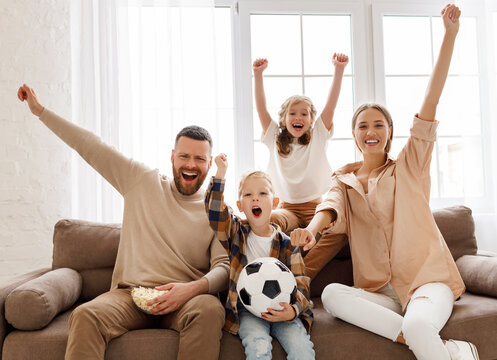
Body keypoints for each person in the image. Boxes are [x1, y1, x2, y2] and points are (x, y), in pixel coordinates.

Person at [290, 4, 479, 360]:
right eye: (363, 125)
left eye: (379, 124)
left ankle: (425, 338)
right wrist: (311, 232)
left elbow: (430, 102)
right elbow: (327, 209)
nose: (371, 130)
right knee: (331, 294)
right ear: (354, 135)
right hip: (379, 293)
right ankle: (450, 351)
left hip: (426, 284)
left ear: (390, 132)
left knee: (421, 325)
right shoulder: (343, 180)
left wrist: (450, 36)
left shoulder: (409, 166)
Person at [17, 84, 230, 360]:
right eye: (184, 156)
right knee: (86, 315)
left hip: (186, 299)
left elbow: (223, 267)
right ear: (172, 157)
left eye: (199, 158)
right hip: (130, 296)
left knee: (210, 309)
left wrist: (190, 290)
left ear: (210, 163)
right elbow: (91, 146)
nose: (191, 164)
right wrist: (40, 112)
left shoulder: (216, 210)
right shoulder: (141, 181)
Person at [205, 153, 314, 360]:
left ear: (275, 202)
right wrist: (220, 173)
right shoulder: (236, 234)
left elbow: (302, 283)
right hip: (248, 311)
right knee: (258, 348)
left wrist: (293, 310)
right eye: (248, 195)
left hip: (284, 310)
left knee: (302, 350)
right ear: (239, 206)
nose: (255, 198)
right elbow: (215, 214)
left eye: (262, 193)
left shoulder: (289, 244)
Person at [253, 54, 349, 277]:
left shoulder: (318, 136)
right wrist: (258, 75)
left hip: (317, 209)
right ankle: (266, 272)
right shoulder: (275, 139)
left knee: (339, 233)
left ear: (312, 120)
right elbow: (261, 109)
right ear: (284, 119)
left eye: (304, 114)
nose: (298, 117)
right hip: (287, 208)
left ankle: (301, 275)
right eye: (293, 113)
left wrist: (339, 70)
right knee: (268, 220)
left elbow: (331, 106)